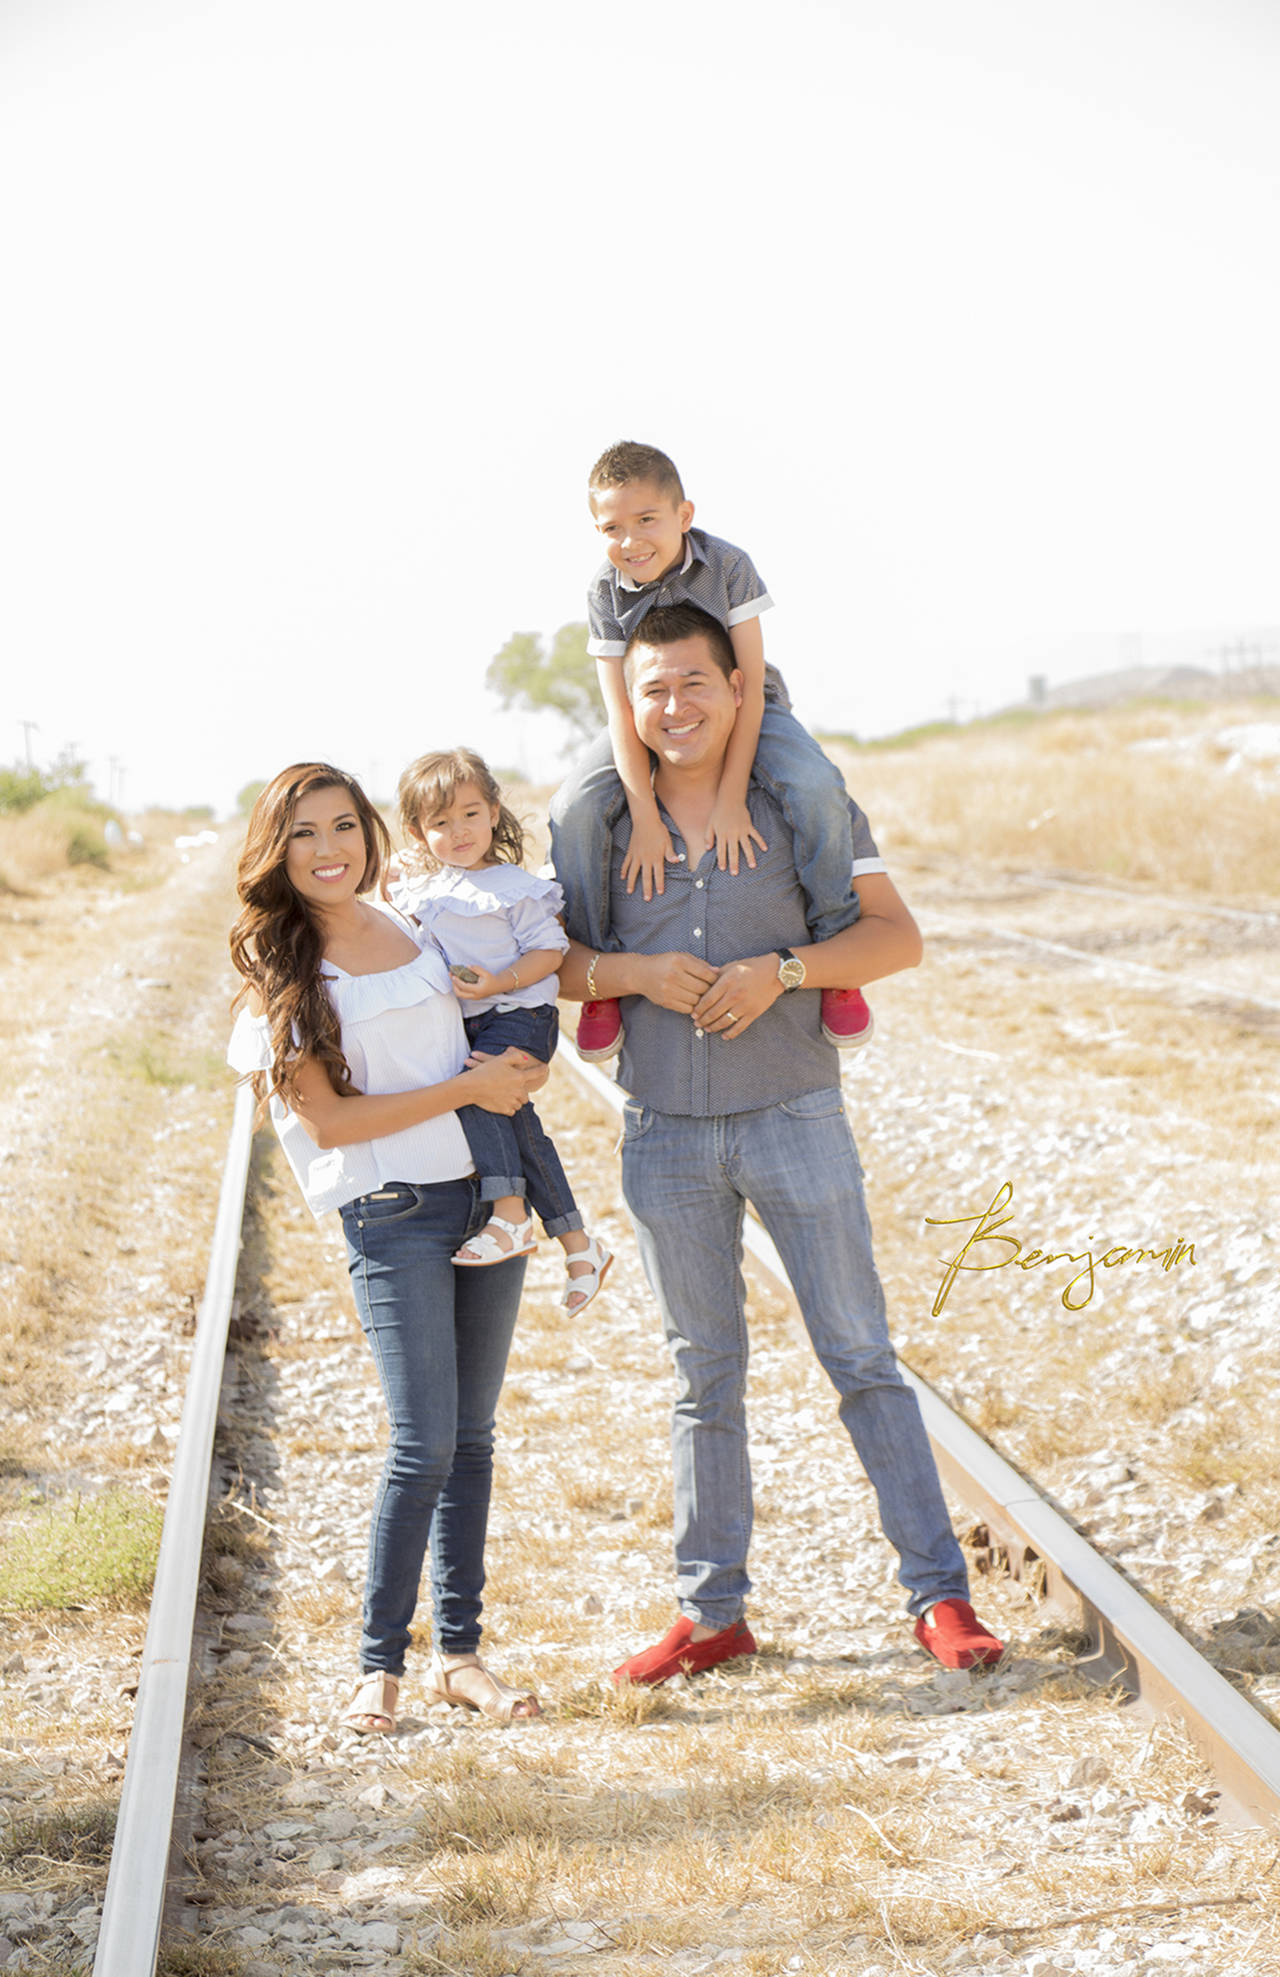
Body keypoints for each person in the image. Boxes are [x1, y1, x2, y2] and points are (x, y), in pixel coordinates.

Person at [554, 605, 1004, 1683]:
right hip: (663, 1136)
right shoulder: (603, 821)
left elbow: (897, 937)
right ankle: (712, 1614)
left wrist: (786, 972)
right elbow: (550, 963)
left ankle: (940, 1598)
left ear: (737, 689)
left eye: (693, 683)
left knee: (860, 1358)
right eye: (653, 689)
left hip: (796, 1118)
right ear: (628, 703)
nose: (674, 707)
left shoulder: (801, 802)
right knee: (700, 1376)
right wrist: (633, 974)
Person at [228, 761, 545, 1735]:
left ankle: (460, 1657)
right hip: (391, 1210)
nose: (328, 849)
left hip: (481, 1197)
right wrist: (468, 1090)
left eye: (342, 826)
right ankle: (378, 1666)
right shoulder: (288, 969)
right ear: (276, 853)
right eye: (303, 833)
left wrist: (514, 1066)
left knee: (473, 1437)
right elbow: (329, 1121)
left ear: (370, 833)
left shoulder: (412, 921)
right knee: (422, 1443)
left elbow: (495, 1000)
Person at [549, 438, 873, 1062]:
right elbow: (620, 709)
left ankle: (836, 953)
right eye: (612, 528)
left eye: (647, 519)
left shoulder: (727, 566)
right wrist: (644, 816)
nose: (630, 540)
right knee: (574, 807)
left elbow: (747, 685)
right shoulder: (604, 592)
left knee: (814, 785)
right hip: (649, 712)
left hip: (747, 702)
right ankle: (603, 979)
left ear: (684, 515)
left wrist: (731, 800)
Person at [391, 746, 612, 1314]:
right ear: (418, 833)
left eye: (470, 814)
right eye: (441, 823)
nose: (459, 831)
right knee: (519, 1128)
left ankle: (510, 1215)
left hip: (520, 1012)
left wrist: (500, 981)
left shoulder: (513, 887)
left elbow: (550, 952)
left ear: (493, 812)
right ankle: (579, 1245)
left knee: (474, 1093)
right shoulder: (426, 890)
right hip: (472, 1022)